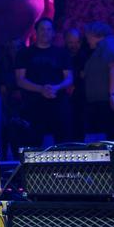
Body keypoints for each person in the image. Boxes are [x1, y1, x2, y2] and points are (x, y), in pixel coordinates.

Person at [14, 18, 72, 149]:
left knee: (63, 144)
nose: (45, 32)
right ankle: (33, 170)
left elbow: (69, 78)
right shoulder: (25, 53)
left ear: (53, 33)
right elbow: (20, 79)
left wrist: (56, 88)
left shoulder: (62, 53)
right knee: (33, 144)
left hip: (58, 104)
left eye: (48, 29)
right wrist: (41, 89)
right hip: (33, 106)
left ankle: (65, 169)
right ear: (36, 32)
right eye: (42, 29)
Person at [83, 21, 114, 139]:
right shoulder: (101, 48)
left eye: (87, 36)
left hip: (108, 102)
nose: (87, 39)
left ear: (94, 34)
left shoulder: (109, 44)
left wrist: (112, 95)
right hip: (101, 102)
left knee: (112, 137)